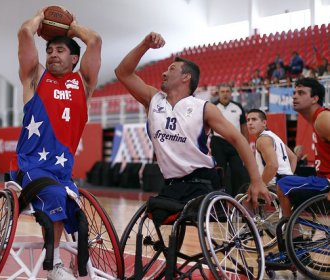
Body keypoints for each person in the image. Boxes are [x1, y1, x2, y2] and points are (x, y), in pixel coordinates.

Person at [115, 32, 271, 224]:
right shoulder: (153, 99)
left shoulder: (204, 108)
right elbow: (122, 72)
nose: (164, 73)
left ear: (185, 77)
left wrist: (256, 180)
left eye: (171, 69)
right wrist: (145, 44)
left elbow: (238, 139)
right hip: (171, 184)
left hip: (202, 183)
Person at [10, 7, 101, 279]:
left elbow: (94, 41)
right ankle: (55, 265)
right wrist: (41, 17)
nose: (53, 55)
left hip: (62, 170)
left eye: (60, 50)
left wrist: (72, 27)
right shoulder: (36, 78)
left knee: (81, 218)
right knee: (55, 197)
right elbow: (25, 32)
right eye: (50, 50)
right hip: (31, 166)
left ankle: (77, 261)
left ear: (74, 58)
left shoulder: (83, 83)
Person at [276, 78, 330, 218]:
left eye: (301, 93)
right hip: (323, 180)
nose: (294, 96)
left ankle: (292, 234)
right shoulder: (318, 119)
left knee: (283, 185)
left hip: (327, 182)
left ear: (314, 98)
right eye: (294, 92)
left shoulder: (323, 118)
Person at [211, 83, 250, 197]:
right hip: (218, 143)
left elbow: (244, 127)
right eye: (222, 91)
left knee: (238, 171)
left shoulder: (237, 107)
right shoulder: (213, 107)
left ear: (231, 93)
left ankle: (238, 198)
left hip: (235, 143)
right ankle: (219, 197)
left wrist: (245, 145)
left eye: (227, 91)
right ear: (218, 93)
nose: (225, 94)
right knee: (220, 171)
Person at [246, 109, 297, 188]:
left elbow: (273, 165)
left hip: (275, 184)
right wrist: (289, 175)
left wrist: (260, 186)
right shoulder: (273, 136)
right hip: (287, 182)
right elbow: (293, 157)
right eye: (248, 120)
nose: (250, 123)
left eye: (254, 119)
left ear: (264, 123)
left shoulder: (263, 139)